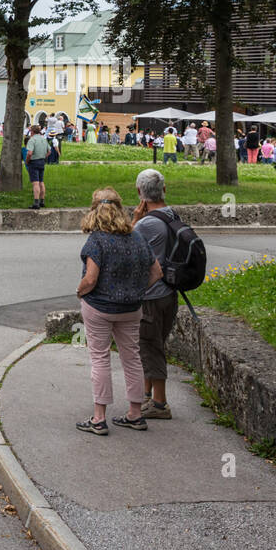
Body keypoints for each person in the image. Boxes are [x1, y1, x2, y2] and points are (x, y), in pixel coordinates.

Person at [75, 187, 163, 435]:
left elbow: (91, 279)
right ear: (120, 210)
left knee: (100, 358)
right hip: (131, 308)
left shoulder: (97, 240)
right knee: (132, 358)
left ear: (95, 211)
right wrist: (135, 290)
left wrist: (80, 291)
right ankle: (135, 414)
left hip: (99, 307)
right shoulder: (137, 237)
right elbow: (157, 272)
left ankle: (99, 418)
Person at [132, 169, 179, 421]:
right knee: (154, 344)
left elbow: (125, 248)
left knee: (151, 348)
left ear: (140, 193)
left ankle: (160, 404)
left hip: (151, 295)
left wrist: (135, 220)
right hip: (169, 293)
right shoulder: (171, 214)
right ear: (164, 190)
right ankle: (147, 393)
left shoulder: (146, 224)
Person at [25, 124, 50, 208]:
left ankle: (36, 203)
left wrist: (27, 161)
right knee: (41, 182)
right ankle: (42, 201)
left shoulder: (32, 140)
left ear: (32, 132)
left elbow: (29, 153)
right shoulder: (44, 139)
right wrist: (43, 156)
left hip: (34, 162)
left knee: (35, 183)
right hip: (42, 161)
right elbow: (49, 151)